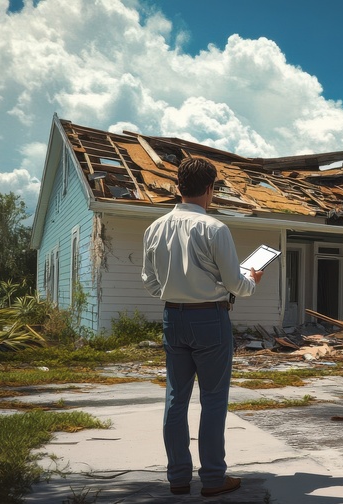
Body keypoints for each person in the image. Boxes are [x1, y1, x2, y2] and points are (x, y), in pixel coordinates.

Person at [141, 157, 263, 497]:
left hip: (173, 317)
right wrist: (251, 280)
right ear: (210, 189)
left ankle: (178, 477)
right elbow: (235, 284)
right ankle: (212, 477)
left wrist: (174, 289)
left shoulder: (154, 228)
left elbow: (150, 283)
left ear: (179, 186)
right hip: (210, 317)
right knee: (212, 400)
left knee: (176, 398)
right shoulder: (215, 228)